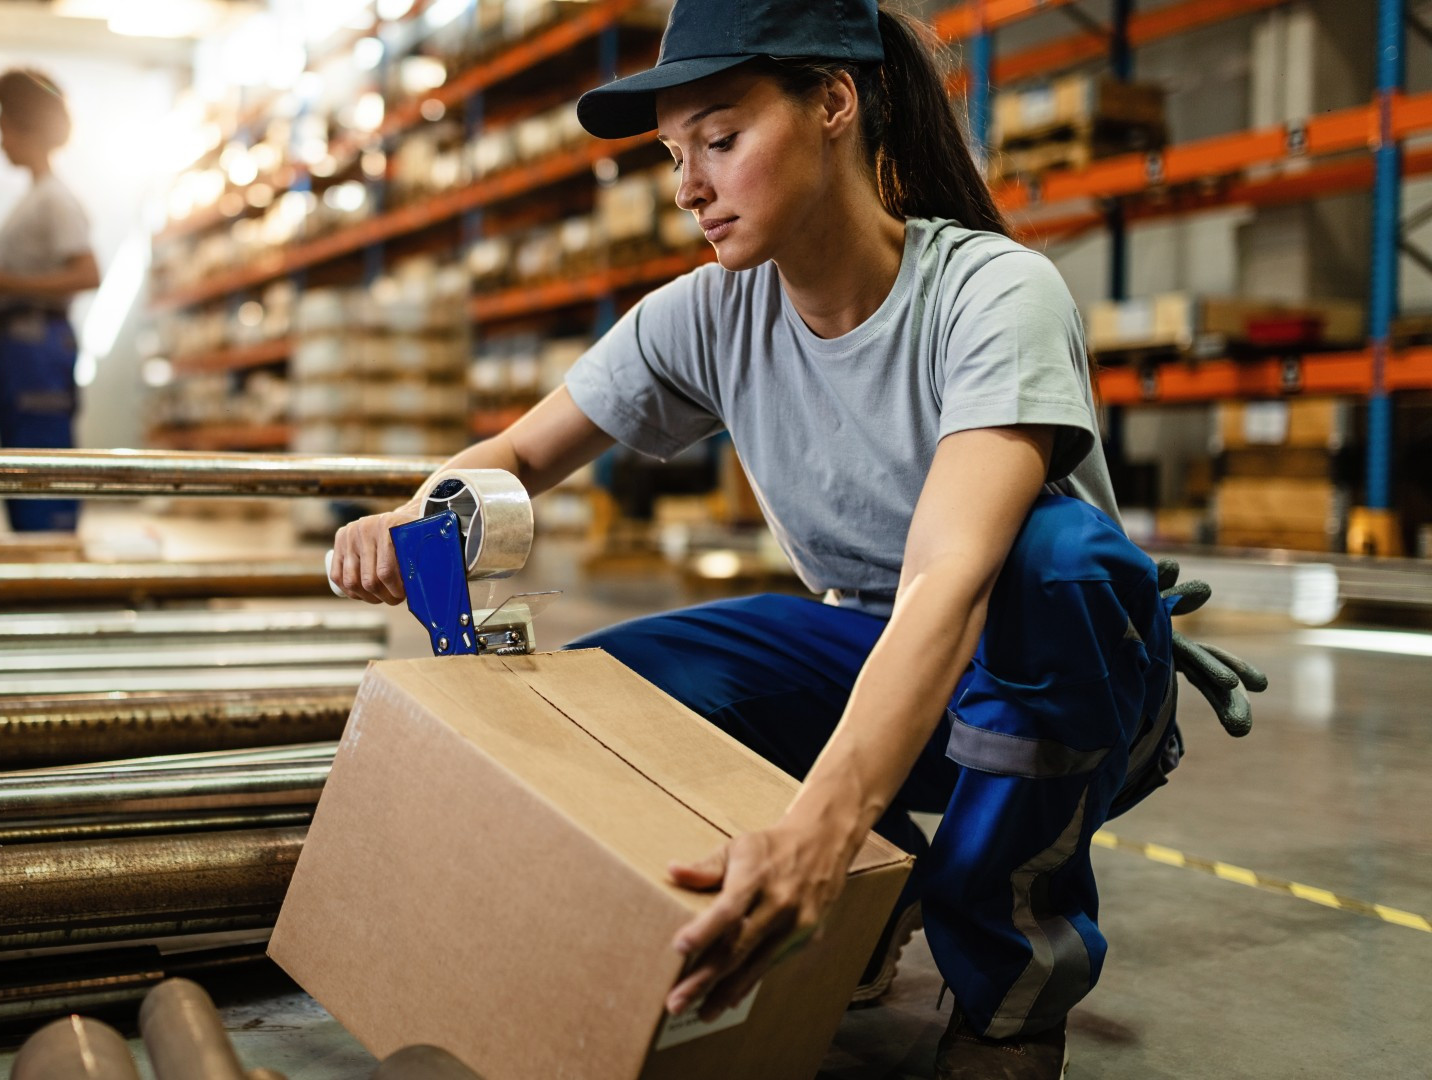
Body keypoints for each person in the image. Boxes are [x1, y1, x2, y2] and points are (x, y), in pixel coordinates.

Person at [327, 3, 1264, 1077]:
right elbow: (523, 454)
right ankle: (873, 900)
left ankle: (1008, 994)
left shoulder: (994, 296)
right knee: (604, 696)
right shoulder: (712, 311)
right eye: (677, 156)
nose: (687, 188)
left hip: (1058, 665)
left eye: (720, 142)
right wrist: (422, 508)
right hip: (878, 649)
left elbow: (953, 581)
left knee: (1054, 562)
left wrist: (820, 824)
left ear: (833, 103)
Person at [0, 68, 99, 533]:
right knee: (21, 469)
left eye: (2, 127)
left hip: (37, 345)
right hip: (19, 349)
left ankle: (50, 567)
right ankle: (33, 563)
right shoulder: (33, 198)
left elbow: (87, 272)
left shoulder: (55, 198)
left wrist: (4, 283)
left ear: (25, 128)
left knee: (43, 471)